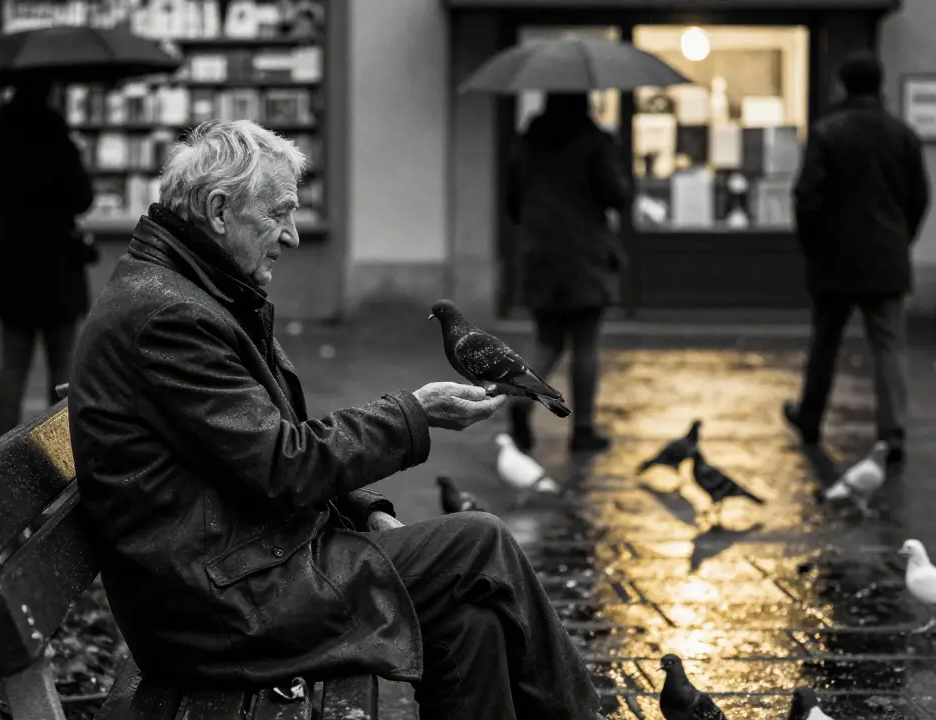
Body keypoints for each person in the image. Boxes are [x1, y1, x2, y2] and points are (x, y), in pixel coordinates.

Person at [67, 120, 604, 720]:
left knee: (471, 616)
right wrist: (414, 414)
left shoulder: (194, 294)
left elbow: (256, 449)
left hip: (237, 572)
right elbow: (280, 465)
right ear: (220, 211)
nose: (292, 235)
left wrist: (363, 507)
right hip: (220, 609)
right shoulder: (169, 317)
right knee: (481, 542)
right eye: (278, 214)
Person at [783, 52, 931, 466]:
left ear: (842, 85)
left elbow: (806, 199)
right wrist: (901, 239)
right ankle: (892, 431)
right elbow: (919, 197)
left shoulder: (828, 132)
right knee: (888, 347)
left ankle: (811, 418)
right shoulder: (902, 134)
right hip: (886, 259)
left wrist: (814, 247)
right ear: (880, 84)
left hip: (835, 259)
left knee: (825, 343)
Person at [504, 93, 631, 454]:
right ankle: (583, 429)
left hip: (539, 254)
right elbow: (617, 195)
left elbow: (512, 201)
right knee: (585, 344)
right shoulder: (595, 142)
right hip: (583, 255)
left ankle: (520, 401)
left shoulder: (527, 142)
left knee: (547, 341)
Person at [0, 79, 96, 438]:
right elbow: (82, 198)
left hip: (11, 269)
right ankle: (61, 454)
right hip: (57, 267)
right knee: (61, 367)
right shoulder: (57, 138)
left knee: (12, 365)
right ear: (49, 93)